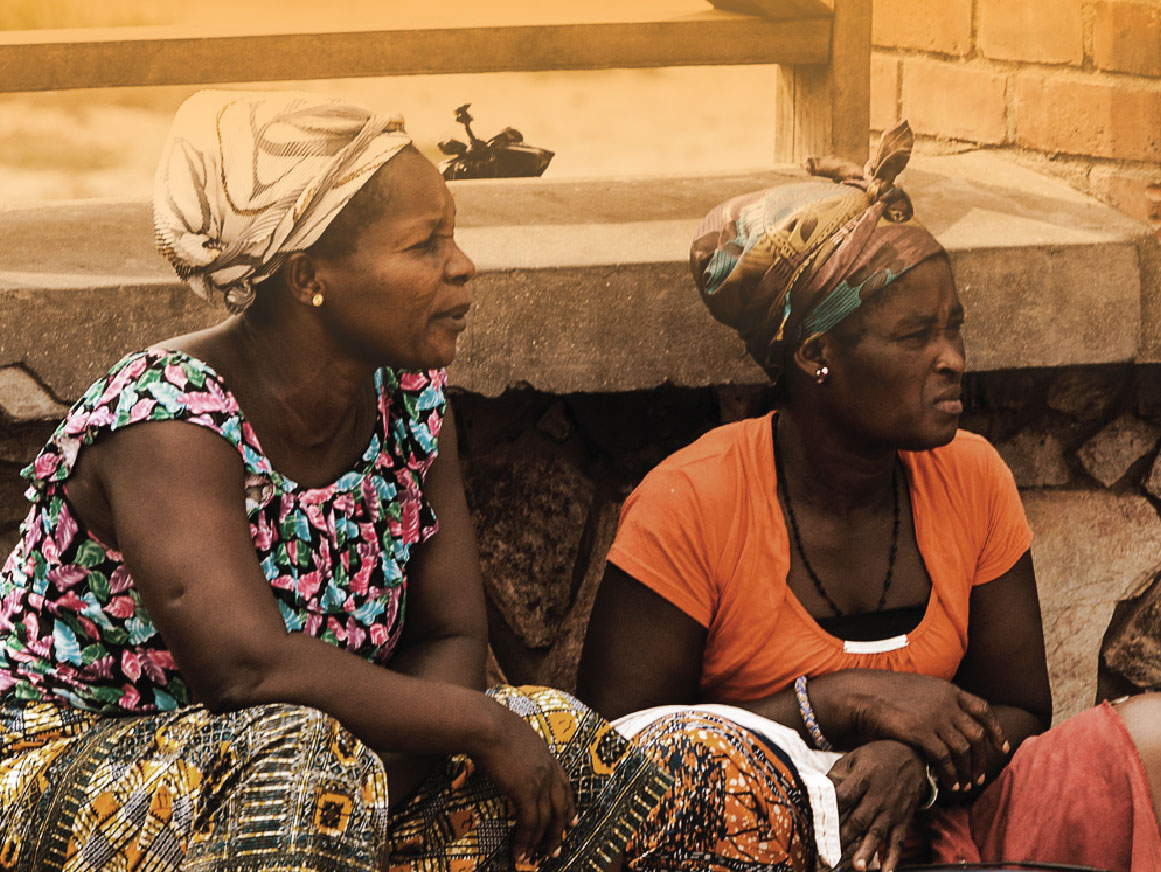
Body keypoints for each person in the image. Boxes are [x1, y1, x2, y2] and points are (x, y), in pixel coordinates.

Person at [0, 90, 670, 872]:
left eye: (452, 236)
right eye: (425, 244)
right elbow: (246, 667)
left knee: (563, 741)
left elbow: (449, 634)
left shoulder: (412, 405)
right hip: (73, 760)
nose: (462, 265)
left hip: (308, 762)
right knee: (330, 764)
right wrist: (474, 729)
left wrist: (381, 793)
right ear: (309, 275)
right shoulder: (166, 417)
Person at [576, 121, 1161, 872]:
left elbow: (1020, 709)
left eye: (953, 327)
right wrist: (837, 703)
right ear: (816, 354)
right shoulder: (690, 502)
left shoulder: (971, 474)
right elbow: (618, 756)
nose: (951, 360)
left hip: (950, 813)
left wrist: (911, 767)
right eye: (915, 335)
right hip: (773, 843)